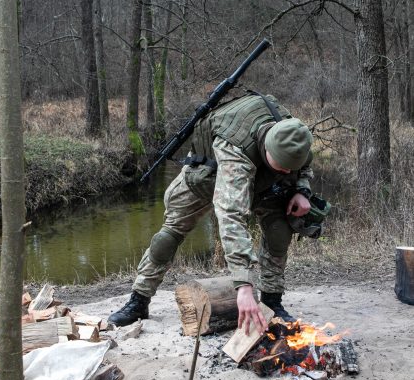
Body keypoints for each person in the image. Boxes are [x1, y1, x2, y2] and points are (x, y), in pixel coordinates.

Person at [108, 91, 314, 334]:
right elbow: (231, 216)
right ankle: (139, 300)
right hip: (207, 176)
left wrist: (302, 190)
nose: (287, 170)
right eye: (282, 166)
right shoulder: (235, 151)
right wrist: (244, 286)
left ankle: (272, 303)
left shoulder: (294, 134)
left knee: (279, 231)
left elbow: (304, 165)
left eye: (291, 167)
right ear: (268, 148)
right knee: (167, 238)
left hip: (263, 183)